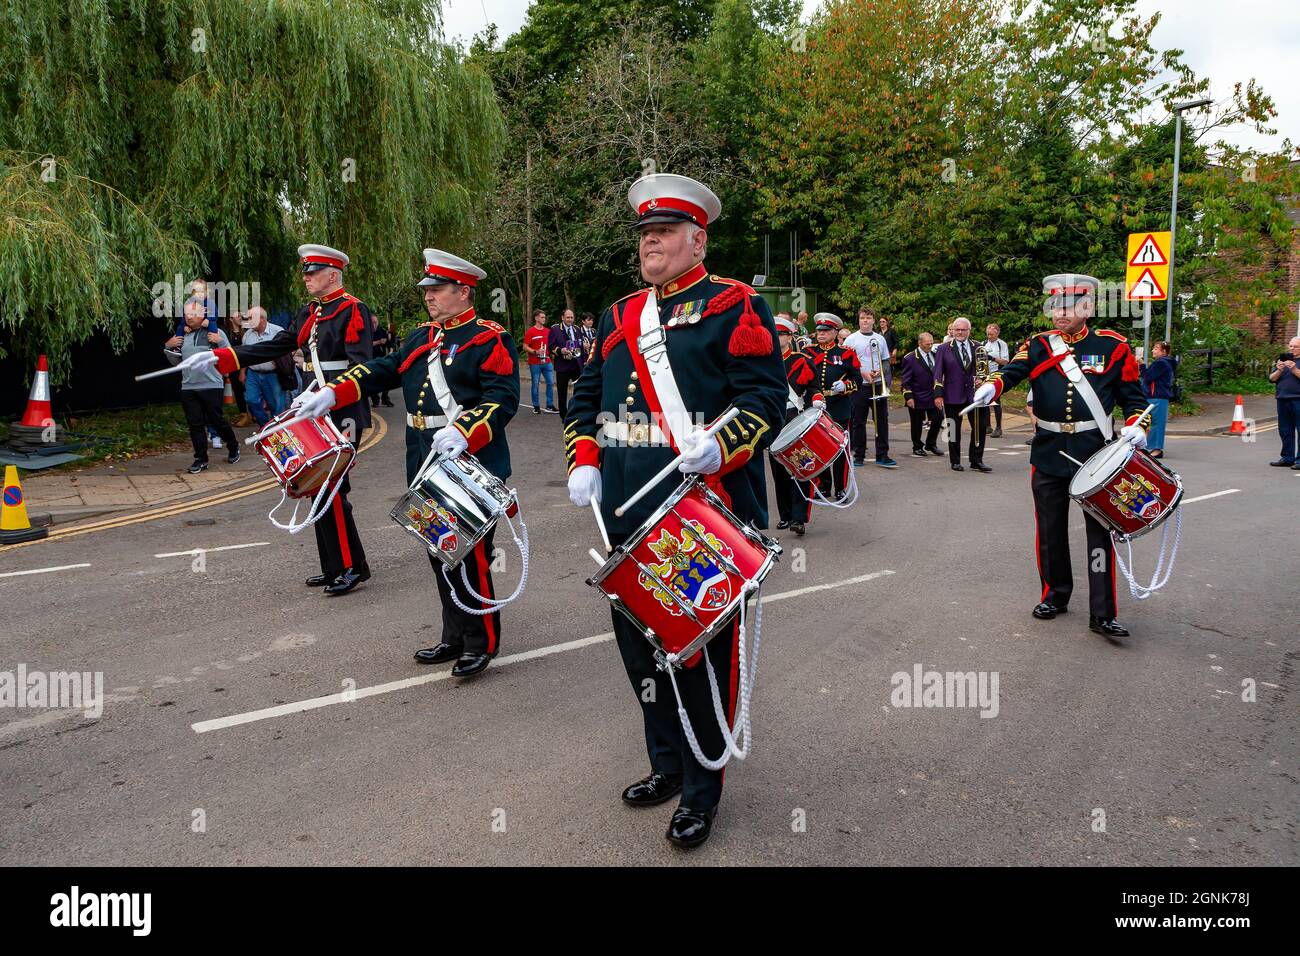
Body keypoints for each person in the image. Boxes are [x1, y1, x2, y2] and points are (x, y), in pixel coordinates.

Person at [564, 173, 786, 849]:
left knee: (697, 657)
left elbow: (764, 402)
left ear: (698, 238)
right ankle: (666, 765)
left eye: (662, 233)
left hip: (702, 511)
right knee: (642, 655)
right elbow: (588, 399)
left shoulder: (736, 305)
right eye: (643, 234)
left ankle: (702, 785)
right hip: (627, 516)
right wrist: (584, 460)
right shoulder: (618, 314)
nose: (649, 243)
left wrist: (720, 444)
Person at [312, 250, 519, 677]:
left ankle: (482, 642)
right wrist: (334, 392)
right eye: (426, 290)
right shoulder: (421, 336)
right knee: (439, 549)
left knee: (470, 553)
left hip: (470, 460)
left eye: (437, 289)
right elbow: (383, 369)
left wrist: (466, 431)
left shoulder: (488, 338)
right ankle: (455, 634)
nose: (429, 297)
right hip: (423, 456)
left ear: (463, 291)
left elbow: (502, 399)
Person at [176, 244, 374, 596]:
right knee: (316, 488)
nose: (306, 277)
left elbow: (362, 369)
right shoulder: (310, 312)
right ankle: (335, 566)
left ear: (333, 275)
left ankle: (350, 568)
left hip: (342, 411)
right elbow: (274, 346)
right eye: (306, 272)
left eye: (313, 272)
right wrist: (221, 357)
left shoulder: (352, 310)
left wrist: (329, 394)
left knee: (332, 490)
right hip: (314, 409)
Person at [970, 273, 1150, 638]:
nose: (1059, 313)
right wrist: (993, 385)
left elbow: (1134, 397)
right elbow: (1014, 369)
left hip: (1095, 455)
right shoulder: (1038, 345)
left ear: (1087, 307)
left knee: (1099, 533)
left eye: (1067, 306)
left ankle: (1102, 612)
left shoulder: (1113, 346)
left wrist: (1136, 425)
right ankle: (1055, 594)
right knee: (1050, 530)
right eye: (1054, 306)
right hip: (1049, 451)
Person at [166, 298, 239, 474]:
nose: (189, 317)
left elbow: (230, 356)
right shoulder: (182, 335)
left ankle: (233, 445)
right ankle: (201, 458)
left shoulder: (215, 332)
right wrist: (167, 347)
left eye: (194, 314)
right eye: (186, 314)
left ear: (203, 315)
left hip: (211, 384)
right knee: (195, 424)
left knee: (216, 420)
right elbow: (176, 362)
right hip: (188, 386)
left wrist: (220, 342)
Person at [803, 312, 863, 497]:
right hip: (814, 406)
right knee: (817, 446)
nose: (821, 334)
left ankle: (840, 487)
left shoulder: (846, 354)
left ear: (835, 332)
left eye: (826, 331)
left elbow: (858, 380)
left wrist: (845, 386)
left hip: (838, 406)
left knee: (839, 449)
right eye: (819, 331)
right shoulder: (807, 353)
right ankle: (824, 484)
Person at [770, 314, 816, 534]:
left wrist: (816, 399)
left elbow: (814, 387)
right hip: (772, 419)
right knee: (779, 471)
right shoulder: (763, 361)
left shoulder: (801, 360)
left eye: (781, 334)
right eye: (774, 333)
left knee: (800, 467)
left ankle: (799, 518)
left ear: (790, 337)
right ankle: (786, 515)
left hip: (795, 417)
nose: (777, 337)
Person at [932, 317, 991, 472]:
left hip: (975, 395)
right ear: (952, 330)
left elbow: (985, 372)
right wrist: (938, 395)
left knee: (980, 427)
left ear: (969, 331)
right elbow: (937, 373)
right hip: (952, 394)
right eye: (957, 329)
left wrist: (982, 381)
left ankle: (976, 460)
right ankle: (955, 461)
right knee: (952, 429)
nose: (959, 332)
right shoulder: (943, 348)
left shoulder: (979, 347)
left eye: (963, 330)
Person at [843, 307, 896, 468]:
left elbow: (886, 361)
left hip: (878, 384)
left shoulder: (880, 339)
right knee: (858, 421)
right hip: (860, 386)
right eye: (862, 318)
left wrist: (879, 373)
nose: (865, 321)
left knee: (881, 421)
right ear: (858, 320)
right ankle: (859, 455)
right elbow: (846, 364)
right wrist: (862, 373)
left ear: (874, 320)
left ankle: (882, 454)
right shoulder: (851, 339)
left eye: (868, 318)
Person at [239, 306, 288, 427]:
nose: (248, 320)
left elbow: (288, 351)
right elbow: (245, 356)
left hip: (273, 374)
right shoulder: (247, 335)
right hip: (253, 374)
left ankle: (278, 432)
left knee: (276, 405)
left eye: (251, 318)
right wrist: (242, 372)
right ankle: (265, 427)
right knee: (251, 400)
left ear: (261, 319)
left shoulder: (278, 331)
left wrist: (281, 361)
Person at [899, 332, 943, 457]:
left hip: (933, 395)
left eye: (931, 343)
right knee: (917, 423)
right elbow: (905, 380)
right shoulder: (910, 358)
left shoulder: (935, 355)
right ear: (919, 343)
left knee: (939, 418)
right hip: (917, 395)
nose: (930, 346)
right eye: (927, 344)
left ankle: (931, 443)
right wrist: (908, 397)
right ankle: (917, 446)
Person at [1267, 335, 1300, 469]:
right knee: (1285, 430)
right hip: (1282, 398)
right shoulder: (1282, 360)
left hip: (1298, 399)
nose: (1292, 349)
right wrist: (1279, 370)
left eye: (1296, 347)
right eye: (1291, 346)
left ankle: (1299, 461)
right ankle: (1287, 457)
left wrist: (1294, 369)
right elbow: (1272, 378)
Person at [1141, 340, 1175, 459]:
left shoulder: (1160, 363)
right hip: (1158, 396)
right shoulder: (1164, 363)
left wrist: (1141, 366)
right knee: (1153, 422)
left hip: (1157, 396)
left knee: (1156, 423)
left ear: (1164, 352)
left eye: (1156, 348)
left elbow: (1148, 378)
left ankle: (1156, 449)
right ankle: (1152, 447)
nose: (1153, 351)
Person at [549, 308, 584, 419]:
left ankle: (577, 413)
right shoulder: (555, 329)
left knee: (579, 391)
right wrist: (560, 351)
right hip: (563, 366)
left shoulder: (577, 329)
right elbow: (551, 346)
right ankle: (564, 416)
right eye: (568, 317)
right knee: (562, 393)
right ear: (562, 317)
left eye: (571, 317)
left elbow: (581, 345)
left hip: (576, 365)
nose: (570, 319)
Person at [522, 309, 557, 414]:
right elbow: (525, 346)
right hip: (535, 363)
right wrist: (535, 351)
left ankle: (549, 405)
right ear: (536, 318)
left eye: (544, 317)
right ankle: (536, 406)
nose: (544, 319)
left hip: (547, 362)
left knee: (550, 383)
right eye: (542, 317)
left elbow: (552, 345)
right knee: (535, 384)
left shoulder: (548, 331)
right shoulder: (531, 331)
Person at [983, 323, 1010, 437]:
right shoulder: (984, 343)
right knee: (985, 400)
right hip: (984, 374)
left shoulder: (1001, 344)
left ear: (997, 333)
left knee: (996, 400)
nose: (989, 336)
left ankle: (998, 427)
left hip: (997, 374)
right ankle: (987, 426)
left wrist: (992, 358)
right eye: (988, 334)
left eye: (992, 334)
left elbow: (1005, 361)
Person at [369, 314, 395, 408]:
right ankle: (375, 400)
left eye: (376, 322)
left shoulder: (382, 331)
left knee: (387, 379)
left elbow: (390, 343)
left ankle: (385, 398)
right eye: (372, 322)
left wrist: (391, 350)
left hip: (382, 358)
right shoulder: (366, 332)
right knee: (372, 381)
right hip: (370, 360)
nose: (374, 324)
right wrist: (378, 342)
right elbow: (365, 345)